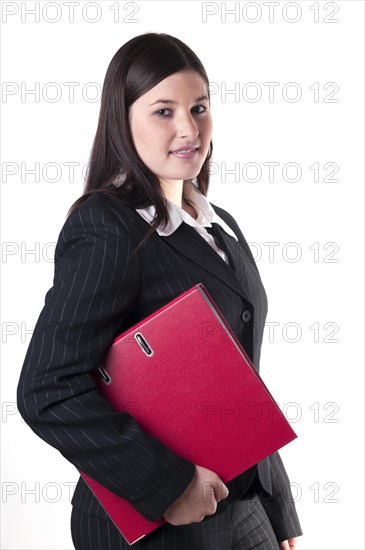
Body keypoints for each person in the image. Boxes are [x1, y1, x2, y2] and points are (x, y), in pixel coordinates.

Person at [17, 32, 303, 550]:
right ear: (121, 120)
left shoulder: (220, 226)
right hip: (158, 522)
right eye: (163, 111)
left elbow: (241, 380)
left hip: (245, 508)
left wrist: (279, 508)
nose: (189, 128)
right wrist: (169, 487)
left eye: (199, 107)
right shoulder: (106, 226)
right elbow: (48, 390)